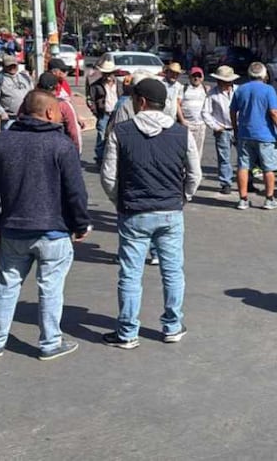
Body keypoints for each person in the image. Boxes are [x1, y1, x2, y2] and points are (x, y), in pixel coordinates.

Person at [0, 91, 91, 360]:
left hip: (13, 230)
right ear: (50, 113)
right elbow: (75, 192)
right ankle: (50, 343)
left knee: (7, 285)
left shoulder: (0, 142)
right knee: (50, 288)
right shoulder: (61, 145)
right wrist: (81, 224)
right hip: (54, 230)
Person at [100, 78, 202, 349]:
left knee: (130, 274)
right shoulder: (182, 133)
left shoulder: (120, 131)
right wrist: (183, 198)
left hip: (134, 212)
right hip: (170, 210)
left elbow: (109, 177)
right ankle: (172, 326)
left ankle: (127, 332)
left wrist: (119, 201)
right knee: (172, 271)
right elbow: (195, 174)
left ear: (141, 102)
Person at [231, 62, 277, 210]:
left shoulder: (241, 89)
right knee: (268, 167)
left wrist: (236, 128)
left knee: (243, 166)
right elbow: (274, 112)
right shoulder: (268, 90)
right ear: (264, 75)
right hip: (265, 134)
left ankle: (243, 199)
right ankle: (269, 199)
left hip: (245, 133)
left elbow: (232, 111)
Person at [202, 65, 239, 195]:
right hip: (223, 129)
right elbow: (205, 112)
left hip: (239, 128)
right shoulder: (212, 93)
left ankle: (246, 181)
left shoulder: (238, 91)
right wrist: (216, 126)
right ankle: (226, 183)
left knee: (244, 157)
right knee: (224, 158)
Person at [31, 72, 82, 153]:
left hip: (33, 149)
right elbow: (74, 132)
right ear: (56, 88)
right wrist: (76, 152)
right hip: (57, 151)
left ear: (38, 86)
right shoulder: (63, 105)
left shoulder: (29, 103)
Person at [86, 60, 123, 163]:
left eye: (109, 73)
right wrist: (95, 111)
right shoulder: (96, 85)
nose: (107, 76)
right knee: (101, 133)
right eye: (105, 73)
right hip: (104, 113)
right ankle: (100, 157)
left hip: (116, 113)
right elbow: (90, 99)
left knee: (116, 134)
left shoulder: (119, 84)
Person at [0, 54, 33, 131]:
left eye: (14, 65)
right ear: (4, 66)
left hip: (25, 117)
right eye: (9, 66)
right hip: (9, 119)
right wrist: (1, 112)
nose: (12, 68)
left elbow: (32, 94)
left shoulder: (24, 77)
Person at [180, 66, 209, 157]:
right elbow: (177, 104)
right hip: (187, 124)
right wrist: (182, 120)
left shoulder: (205, 89)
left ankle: (195, 169)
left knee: (198, 150)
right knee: (186, 149)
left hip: (200, 125)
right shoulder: (183, 88)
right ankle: (184, 169)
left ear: (202, 77)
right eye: (194, 76)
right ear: (189, 77)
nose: (196, 78)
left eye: (199, 76)